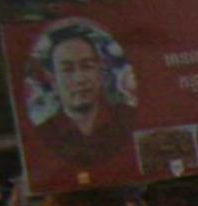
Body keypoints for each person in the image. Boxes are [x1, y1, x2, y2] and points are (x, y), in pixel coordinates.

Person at [36, 23, 136, 166]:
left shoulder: (128, 119)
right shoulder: (44, 135)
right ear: (52, 80)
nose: (80, 79)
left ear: (100, 71)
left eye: (87, 66)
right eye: (67, 70)